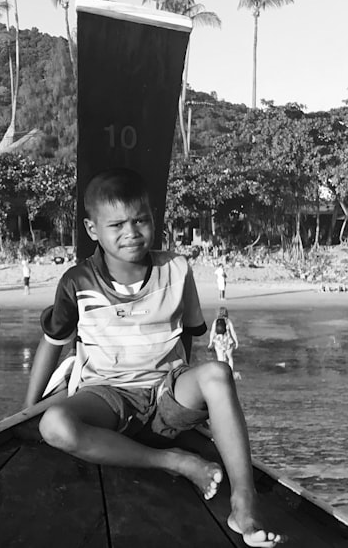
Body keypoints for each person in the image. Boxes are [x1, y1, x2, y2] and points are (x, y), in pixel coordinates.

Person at [24, 169, 280, 548]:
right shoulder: (77, 282)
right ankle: (173, 461)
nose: (131, 232)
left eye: (140, 220)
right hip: (107, 395)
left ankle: (244, 500)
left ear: (153, 219)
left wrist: (186, 402)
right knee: (54, 425)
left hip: (167, 391)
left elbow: (189, 340)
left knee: (218, 373)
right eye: (117, 225)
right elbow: (53, 342)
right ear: (93, 229)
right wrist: (27, 411)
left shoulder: (176, 269)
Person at [208, 307, 239, 372]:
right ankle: (231, 372)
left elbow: (212, 332)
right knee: (230, 358)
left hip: (218, 343)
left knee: (220, 360)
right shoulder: (228, 321)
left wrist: (210, 342)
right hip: (228, 342)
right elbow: (233, 332)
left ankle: (222, 373)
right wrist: (236, 341)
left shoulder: (216, 321)